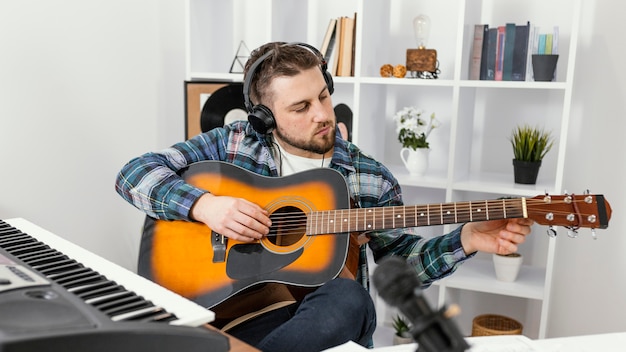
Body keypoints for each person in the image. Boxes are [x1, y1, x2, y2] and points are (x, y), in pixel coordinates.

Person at [115, 42, 533, 351]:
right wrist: (207, 206)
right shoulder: (232, 145)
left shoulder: (368, 178)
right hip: (230, 313)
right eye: (300, 107)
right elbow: (133, 173)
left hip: (317, 325)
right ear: (265, 117)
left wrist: (467, 239)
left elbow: (398, 268)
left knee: (349, 296)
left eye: (323, 95)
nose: (322, 114)